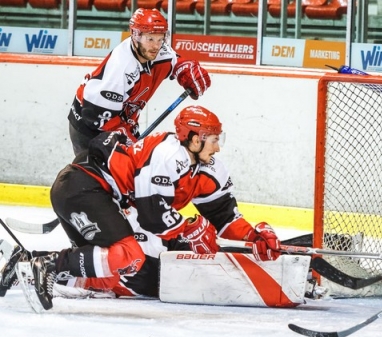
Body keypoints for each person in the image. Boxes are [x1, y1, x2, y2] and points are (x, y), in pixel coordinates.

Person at [17, 105, 281, 311]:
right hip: (84, 188)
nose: (218, 146)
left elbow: (223, 215)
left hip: (103, 198)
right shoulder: (166, 155)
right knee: (131, 258)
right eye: (212, 139)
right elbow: (152, 215)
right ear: (194, 139)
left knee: (122, 265)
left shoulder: (209, 169)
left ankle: (26, 263)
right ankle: (50, 265)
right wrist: (190, 228)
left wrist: (252, 235)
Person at [68, 8, 211, 155]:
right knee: (102, 175)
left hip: (122, 119)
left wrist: (187, 71)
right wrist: (125, 137)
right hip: (89, 126)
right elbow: (95, 116)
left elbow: (176, 62)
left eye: (160, 39)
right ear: (135, 36)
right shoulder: (120, 68)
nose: (156, 46)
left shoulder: (157, 51)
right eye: (150, 39)